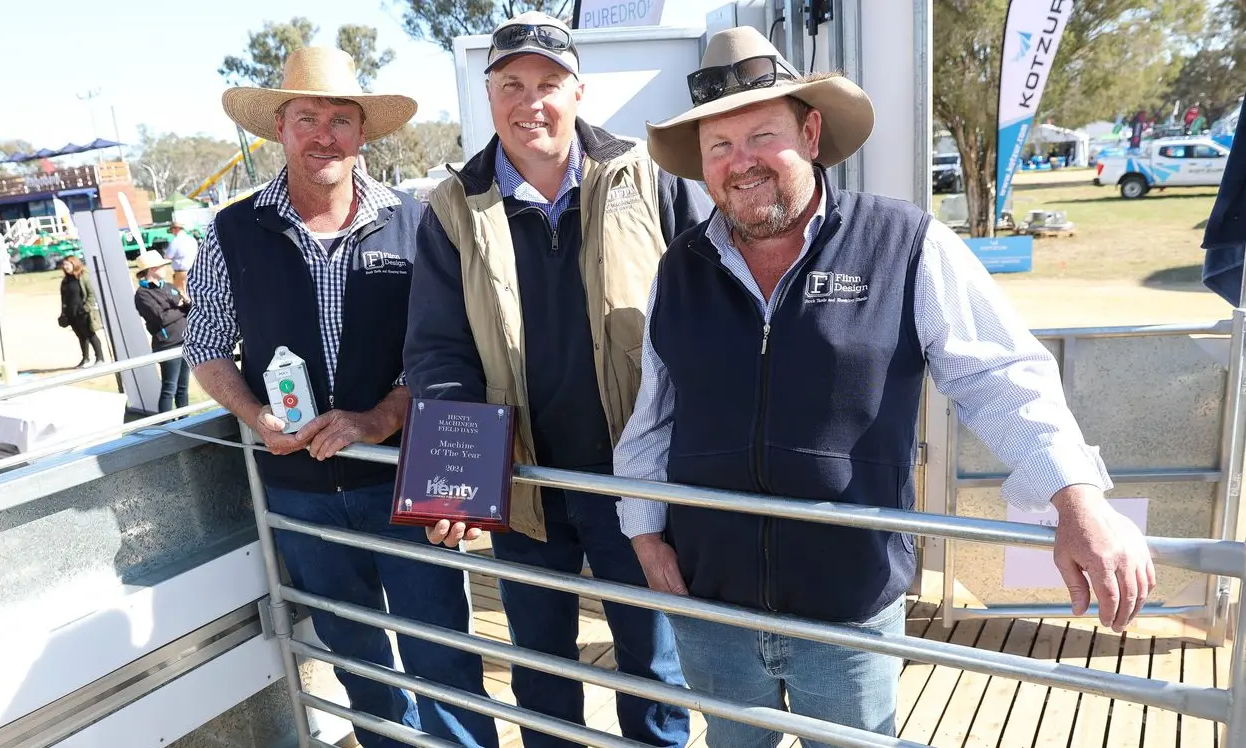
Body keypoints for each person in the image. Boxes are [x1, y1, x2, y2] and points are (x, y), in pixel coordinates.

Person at [615, 27, 1158, 748]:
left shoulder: (906, 242)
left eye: (761, 135)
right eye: (719, 146)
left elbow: (998, 376)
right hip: (711, 607)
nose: (740, 163)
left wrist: (1076, 499)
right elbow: (656, 411)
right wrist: (645, 533)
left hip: (848, 614)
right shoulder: (679, 267)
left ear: (810, 133)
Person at [404, 12, 711, 748]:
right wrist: (457, 472)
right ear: (488, 95)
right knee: (540, 665)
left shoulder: (649, 175)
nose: (529, 101)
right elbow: (439, 352)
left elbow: (705, 310)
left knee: (655, 663)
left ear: (579, 91)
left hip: (633, 478)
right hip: (522, 482)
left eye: (548, 83)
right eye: (511, 83)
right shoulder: (450, 206)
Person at [184, 45, 500, 748]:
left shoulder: (419, 222)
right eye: (306, 118)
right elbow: (205, 343)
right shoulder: (233, 231)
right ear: (281, 129)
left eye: (339, 119)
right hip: (299, 488)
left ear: (362, 134)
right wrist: (253, 415)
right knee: (357, 660)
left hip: (408, 480)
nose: (323, 134)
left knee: (441, 653)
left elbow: (457, 343)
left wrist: (381, 418)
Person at [132, 250, 190, 412]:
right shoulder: (142, 294)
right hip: (167, 344)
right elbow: (160, 318)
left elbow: (188, 308)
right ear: (152, 269)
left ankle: (186, 421)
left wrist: (184, 304)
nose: (165, 269)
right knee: (169, 388)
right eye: (161, 266)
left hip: (184, 340)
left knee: (183, 387)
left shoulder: (169, 286)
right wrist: (180, 307)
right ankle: (168, 426)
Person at [58, 255, 105, 368]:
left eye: (67, 264)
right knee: (81, 336)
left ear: (74, 264)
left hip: (84, 313)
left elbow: (91, 294)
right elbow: (64, 299)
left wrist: (86, 308)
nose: (65, 267)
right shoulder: (65, 281)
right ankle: (85, 358)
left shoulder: (83, 277)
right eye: (64, 265)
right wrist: (64, 313)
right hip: (71, 313)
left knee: (90, 334)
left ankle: (100, 358)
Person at [164, 219, 198, 297]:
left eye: (172, 230)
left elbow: (168, 257)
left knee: (180, 292)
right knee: (191, 292)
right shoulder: (192, 239)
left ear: (176, 229)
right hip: (193, 270)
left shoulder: (175, 241)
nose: (172, 232)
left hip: (181, 272)